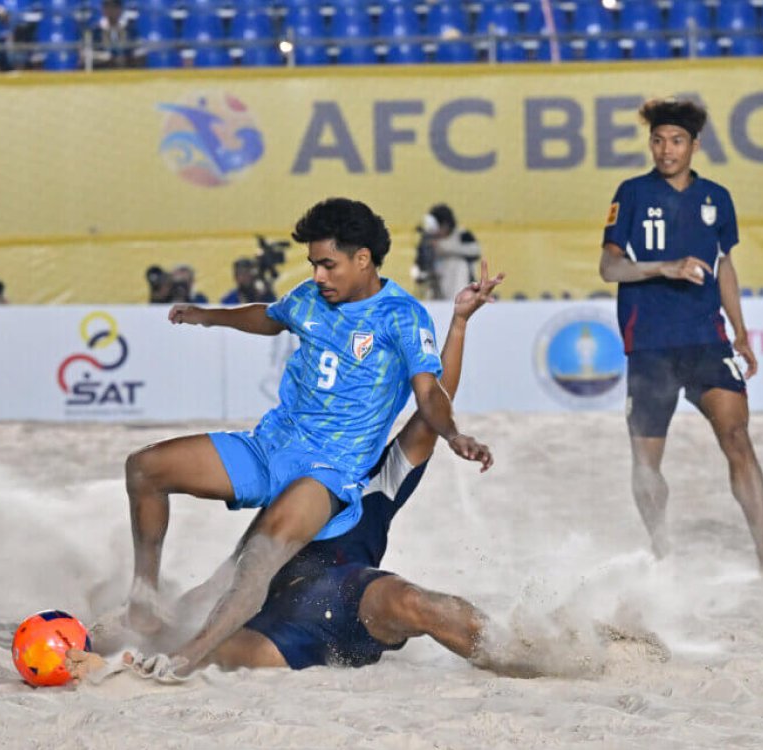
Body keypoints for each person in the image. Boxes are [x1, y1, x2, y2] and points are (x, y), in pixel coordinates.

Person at [67, 262, 584, 682]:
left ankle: (523, 654)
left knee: (409, 601)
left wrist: (459, 325)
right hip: (260, 604)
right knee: (177, 627)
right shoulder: (291, 459)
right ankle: (105, 646)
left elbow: (432, 401)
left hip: (345, 594)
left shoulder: (373, 476)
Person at [114, 197, 493, 681]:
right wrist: (208, 315)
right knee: (145, 468)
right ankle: (143, 601)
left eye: (327, 264)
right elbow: (269, 317)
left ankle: (189, 656)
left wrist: (455, 430)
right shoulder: (310, 298)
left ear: (363, 259)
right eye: (313, 264)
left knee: (261, 560)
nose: (317, 275)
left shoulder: (400, 316)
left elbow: (431, 396)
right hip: (269, 447)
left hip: (324, 475)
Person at [598, 98, 763, 580]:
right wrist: (663, 267)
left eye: (677, 141)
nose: (666, 149)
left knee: (737, 437)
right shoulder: (630, 193)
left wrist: (742, 333)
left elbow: (725, 266)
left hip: (707, 342)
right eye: (659, 140)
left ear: (694, 145)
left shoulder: (717, 199)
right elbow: (609, 267)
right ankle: (663, 552)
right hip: (649, 344)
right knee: (646, 463)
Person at [415, 204, 481, 301]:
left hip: (459, 282)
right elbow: (420, 264)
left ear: (445, 225)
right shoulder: (428, 239)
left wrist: (444, 247)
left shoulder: (462, 235)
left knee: (458, 264)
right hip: (436, 283)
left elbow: (475, 251)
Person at [83, 0, 138, 70]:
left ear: (120, 9)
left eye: (115, 6)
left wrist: (126, 57)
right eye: (107, 6)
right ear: (103, 9)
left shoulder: (129, 30)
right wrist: (105, 57)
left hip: (126, 73)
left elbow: (137, 51)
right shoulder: (95, 31)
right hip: (101, 72)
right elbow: (85, 55)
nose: (111, 10)